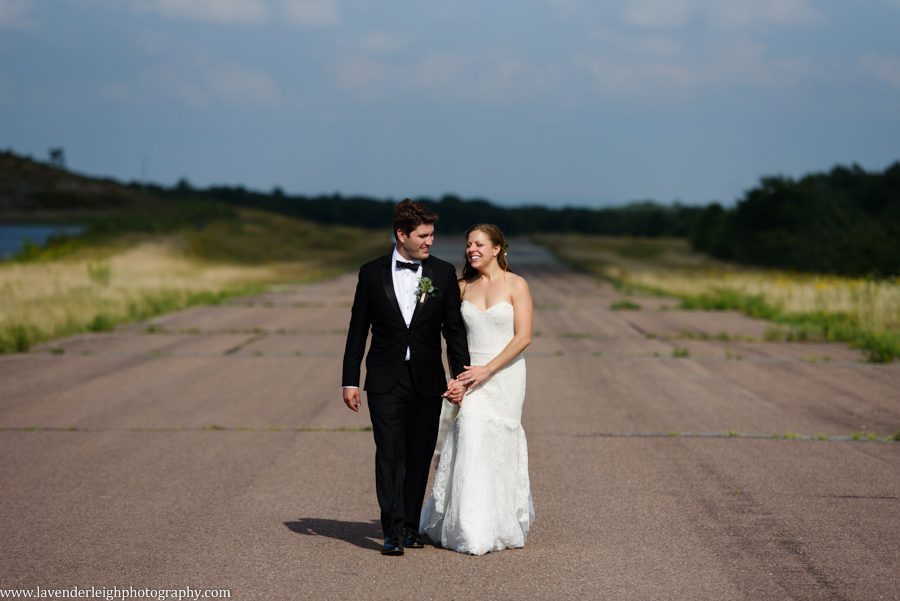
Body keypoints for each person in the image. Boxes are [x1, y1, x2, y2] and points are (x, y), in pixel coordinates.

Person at [341, 199, 470, 556]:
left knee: (418, 454)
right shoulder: (370, 273)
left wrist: (460, 377)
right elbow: (357, 330)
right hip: (384, 379)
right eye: (423, 235)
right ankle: (392, 531)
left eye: (432, 234)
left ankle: (411, 526)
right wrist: (349, 379)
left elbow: (453, 332)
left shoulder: (443, 274)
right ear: (402, 234)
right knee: (389, 454)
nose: (430, 241)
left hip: (428, 379)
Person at [420, 223, 535, 555]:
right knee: (470, 433)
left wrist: (489, 369)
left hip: (505, 374)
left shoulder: (517, 285)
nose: (472, 249)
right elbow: (452, 337)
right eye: (469, 244)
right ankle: (470, 527)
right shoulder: (460, 287)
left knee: (498, 440)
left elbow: (523, 337)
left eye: (480, 244)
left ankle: (499, 521)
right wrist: (458, 377)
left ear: (497, 249)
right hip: (470, 374)